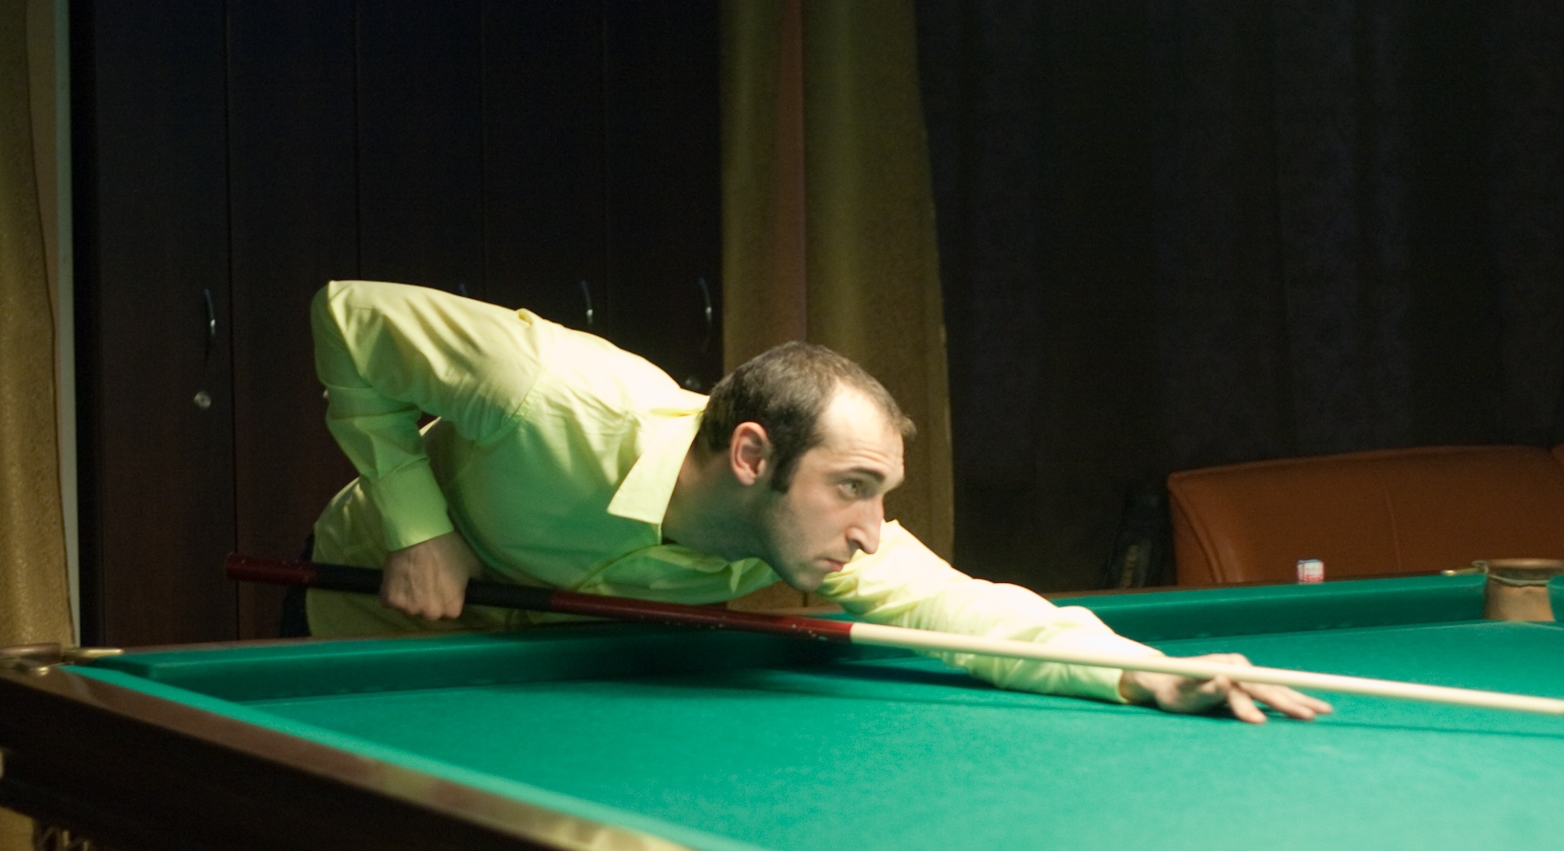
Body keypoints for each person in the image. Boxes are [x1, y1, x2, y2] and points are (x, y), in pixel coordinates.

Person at [307, 280, 1328, 724]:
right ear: (752, 454)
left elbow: (972, 610)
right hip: (369, 615)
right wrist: (419, 528)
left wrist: (1149, 673)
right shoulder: (550, 396)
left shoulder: (814, 538)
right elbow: (349, 317)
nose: (871, 531)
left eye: (879, 494)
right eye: (851, 488)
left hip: (530, 673)